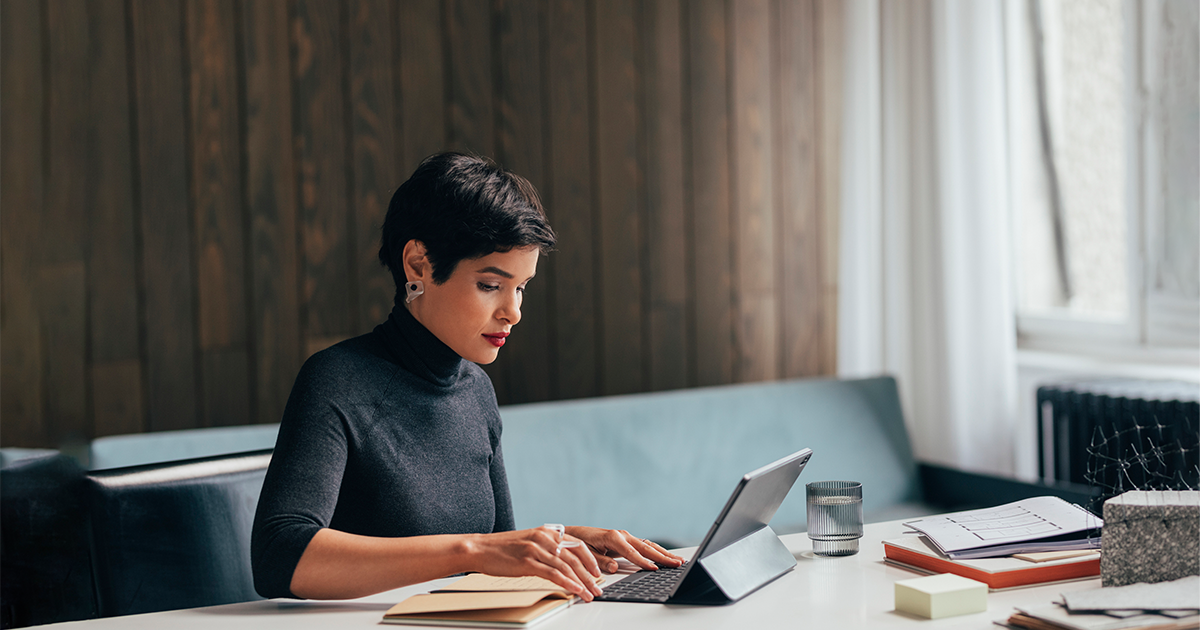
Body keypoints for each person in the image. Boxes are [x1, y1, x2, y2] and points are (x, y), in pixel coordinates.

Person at [251, 152, 682, 602]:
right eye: (490, 285)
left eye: (521, 287)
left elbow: (493, 556)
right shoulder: (336, 380)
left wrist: (560, 541)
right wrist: (473, 550)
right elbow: (279, 555)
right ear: (417, 264)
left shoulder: (475, 389)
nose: (513, 312)